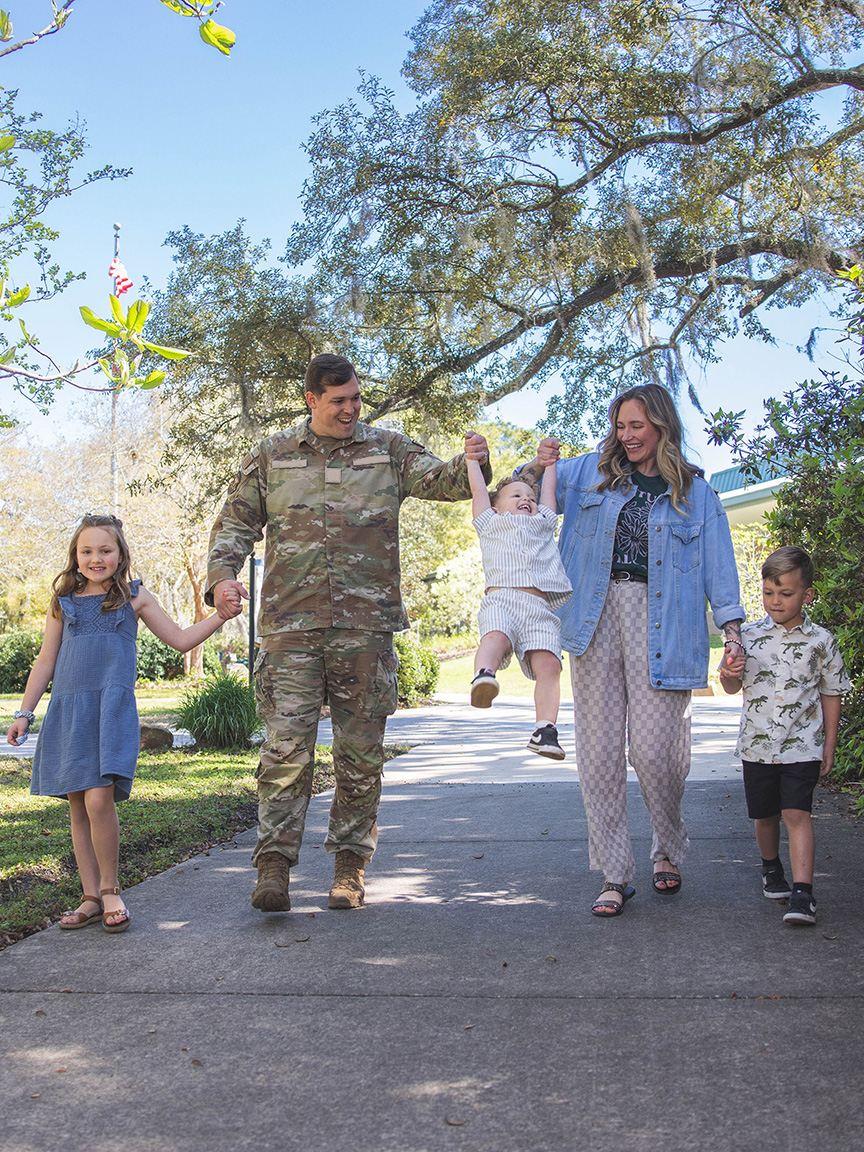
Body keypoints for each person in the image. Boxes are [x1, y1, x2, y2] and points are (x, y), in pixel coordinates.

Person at [207, 353, 490, 913]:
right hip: (290, 628)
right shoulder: (273, 454)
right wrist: (222, 578)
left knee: (361, 756)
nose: (350, 409)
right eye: (338, 401)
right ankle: (273, 869)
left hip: (365, 630)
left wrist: (475, 459)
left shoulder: (388, 449)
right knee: (286, 753)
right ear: (311, 400)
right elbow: (235, 522)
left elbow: (449, 482)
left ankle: (348, 867)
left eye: (356, 399)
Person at [520, 384, 745, 916]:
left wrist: (733, 634)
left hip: (665, 625)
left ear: (662, 427)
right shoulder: (591, 472)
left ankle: (668, 844)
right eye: (621, 426)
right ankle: (615, 874)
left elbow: (720, 571)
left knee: (654, 754)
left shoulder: (697, 494)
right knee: (597, 755)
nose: (627, 436)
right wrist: (536, 465)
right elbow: (528, 487)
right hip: (594, 617)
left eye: (637, 426)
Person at [6, 514, 226, 933]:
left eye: (105, 550)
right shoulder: (63, 601)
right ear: (75, 555)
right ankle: (89, 896)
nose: (95, 558)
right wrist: (24, 713)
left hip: (111, 710)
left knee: (98, 800)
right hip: (69, 712)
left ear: (121, 554)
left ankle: (110, 889)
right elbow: (45, 661)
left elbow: (180, 639)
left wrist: (219, 617)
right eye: (86, 550)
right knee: (77, 804)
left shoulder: (135, 598)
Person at [719, 546, 849, 926]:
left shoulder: (821, 641)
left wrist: (829, 742)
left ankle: (803, 894)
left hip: (802, 745)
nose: (775, 601)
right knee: (765, 816)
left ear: (807, 594)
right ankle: (770, 866)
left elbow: (831, 691)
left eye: (786, 594)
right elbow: (730, 687)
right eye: (768, 593)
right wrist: (728, 674)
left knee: (797, 812)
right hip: (757, 746)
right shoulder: (748, 637)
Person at [466, 436, 572, 758]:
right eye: (516, 495)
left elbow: (549, 493)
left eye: (530, 496)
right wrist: (473, 460)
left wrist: (550, 463)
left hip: (538, 608)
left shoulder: (543, 523)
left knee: (550, 664)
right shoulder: (490, 523)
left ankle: (545, 729)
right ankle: (484, 677)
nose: (526, 499)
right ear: (497, 505)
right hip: (502, 599)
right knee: (495, 637)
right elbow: (478, 491)